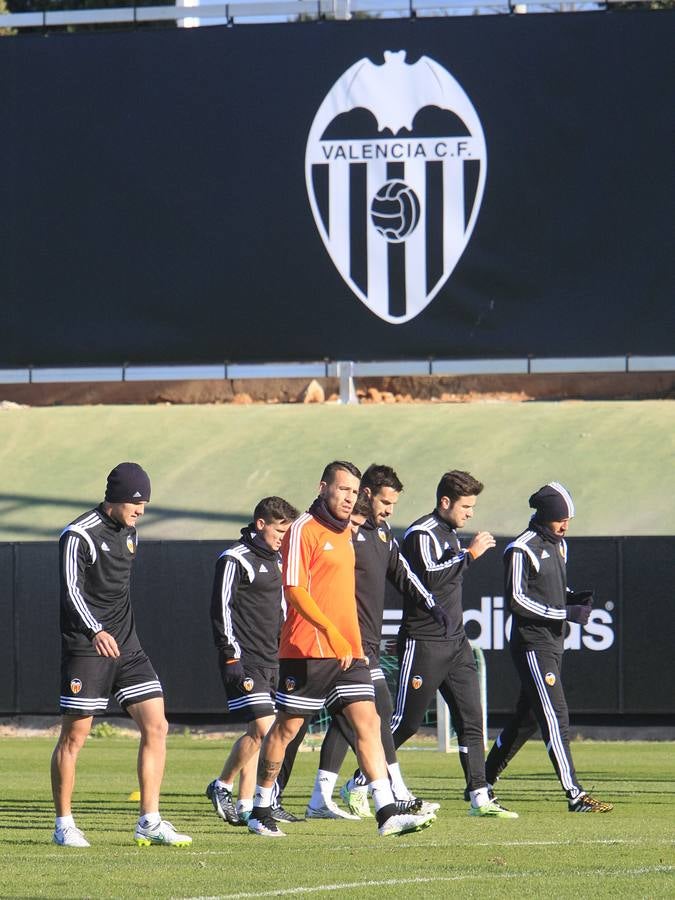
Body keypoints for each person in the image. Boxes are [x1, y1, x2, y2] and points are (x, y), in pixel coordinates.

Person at [247, 460, 434, 838]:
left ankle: (386, 810)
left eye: (354, 491)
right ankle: (260, 806)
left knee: (368, 722)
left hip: (348, 652)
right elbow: (295, 590)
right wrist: (330, 631)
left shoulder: (348, 531)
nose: (349, 497)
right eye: (343, 489)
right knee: (285, 730)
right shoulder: (303, 529)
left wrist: (352, 639)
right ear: (322, 487)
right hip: (307, 650)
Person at [51, 462, 191, 848]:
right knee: (75, 737)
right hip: (87, 647)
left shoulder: (131, 532)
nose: (141, 510)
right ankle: (64, 823)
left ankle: (149, 819)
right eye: (135, 502)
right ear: (115, 498)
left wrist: (116, 634)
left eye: (144, 503)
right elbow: (71, 593)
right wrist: (95, 630)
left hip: (128, 648)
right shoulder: (78, 535)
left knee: (157, 725)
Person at [305, 464, 442, 819]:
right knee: (369, 714)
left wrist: (430, 604)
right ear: (366, 494)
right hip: (337, 642)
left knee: (344, 719)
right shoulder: (341, 531)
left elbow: (403, 573)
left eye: (394, 504)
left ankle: (319, 799)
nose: (389, 510)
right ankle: (394, 791)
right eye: (384, 502)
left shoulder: (382, 535)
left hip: (363, 643)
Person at [393, 469, 517, 818]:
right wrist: (470, 555)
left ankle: (480, 794)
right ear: (445, 502)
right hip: (424, 642)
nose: (470, 513)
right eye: (465, 505)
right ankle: (361, 781)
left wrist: (463, 554)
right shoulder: (422, 533)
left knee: (472, 719)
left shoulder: (449, 533)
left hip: (456, 643)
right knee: (406, 723)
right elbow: (429, 580)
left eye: (473, 506)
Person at [483, 482, 613, 812]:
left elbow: (549, 588)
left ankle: (480, 782)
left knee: (526, 720)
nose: (565, 524)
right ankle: (575, 794)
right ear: (544, 516)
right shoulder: (520, 549)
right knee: (556, 715)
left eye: (568, 519)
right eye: (560, 518)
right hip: (531, 644)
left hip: (553, 643)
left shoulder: (560, 546)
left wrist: (571, 597)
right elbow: (516, 600)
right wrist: (564, 611)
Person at [205, 497, 299, 827]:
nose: (284, 538)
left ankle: (246, 804)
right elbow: (221, 610)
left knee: (257, 735)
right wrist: (231, 656)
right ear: (261, 525)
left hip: (275, 661)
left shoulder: (280, 561)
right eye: (279, 530)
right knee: (267, 729)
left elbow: (285, 611)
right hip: (244, 662)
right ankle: (223, 786)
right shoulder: (234, 559)